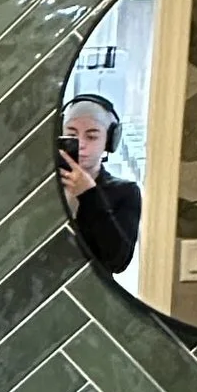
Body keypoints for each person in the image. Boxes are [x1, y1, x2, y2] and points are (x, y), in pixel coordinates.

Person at [58, 92, 142, 277]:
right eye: (71, 134)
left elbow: (118, 261)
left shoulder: (125, 192)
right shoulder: (44, 185)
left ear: (109, 141)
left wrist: (89, 195)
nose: (81, 144)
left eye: (92, 136)